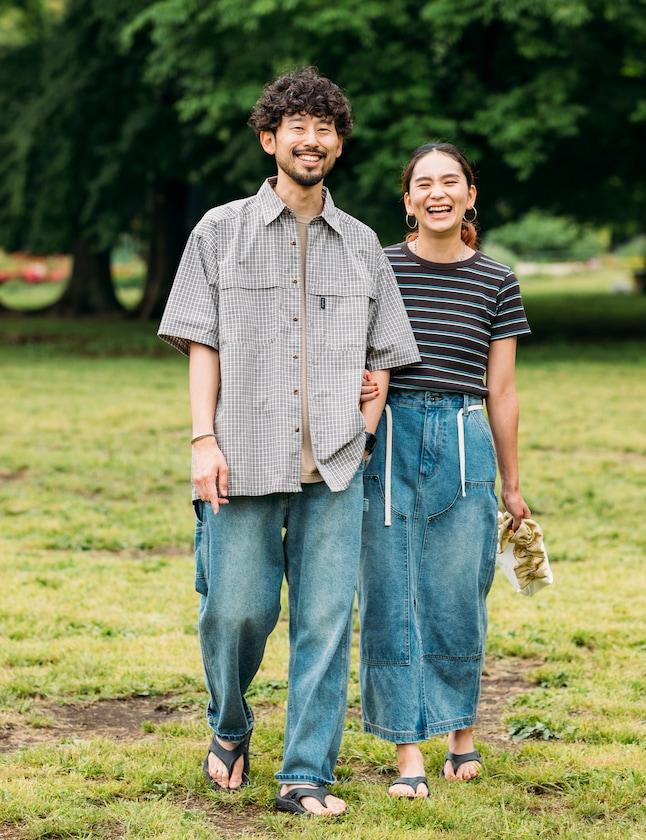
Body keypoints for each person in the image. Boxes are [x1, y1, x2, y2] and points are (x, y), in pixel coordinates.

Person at [157, 68, 420, 817]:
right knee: (234, 610)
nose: (313, 139)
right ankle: (231, 724)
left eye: (326, 128)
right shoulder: (219, 231)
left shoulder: (364, 244)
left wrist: (366, 429)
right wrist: (203, 439)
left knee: (326, 622)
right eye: (297, 127)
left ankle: (306, 773)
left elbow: (384, 353)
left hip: (336, 466)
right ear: (271, 140)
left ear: (338, 143)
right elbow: (200, 342)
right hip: (241, 455)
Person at [358, 143, 531, 799]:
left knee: (460, 593)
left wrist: (511, 486)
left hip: (464, 438)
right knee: (390, 594)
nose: (437, 192)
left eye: (449, 181)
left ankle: (459, 728)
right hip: (392, 432)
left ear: (469, 195)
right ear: (407, 201)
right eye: (422, 183)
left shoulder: (497, 280)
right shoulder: (378, 267)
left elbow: (504, 392)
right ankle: (409, 752)